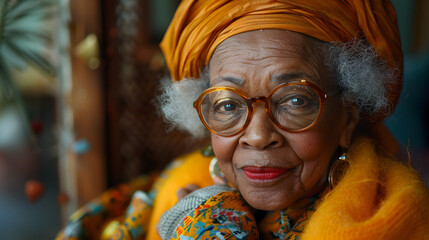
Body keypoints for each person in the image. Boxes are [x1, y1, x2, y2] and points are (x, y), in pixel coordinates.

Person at [57, 0, 429, 239]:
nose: (257, 136)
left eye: (295, 99)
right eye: (228, 105)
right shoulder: (175, 188)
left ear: (347, 119)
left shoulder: (400, 218)